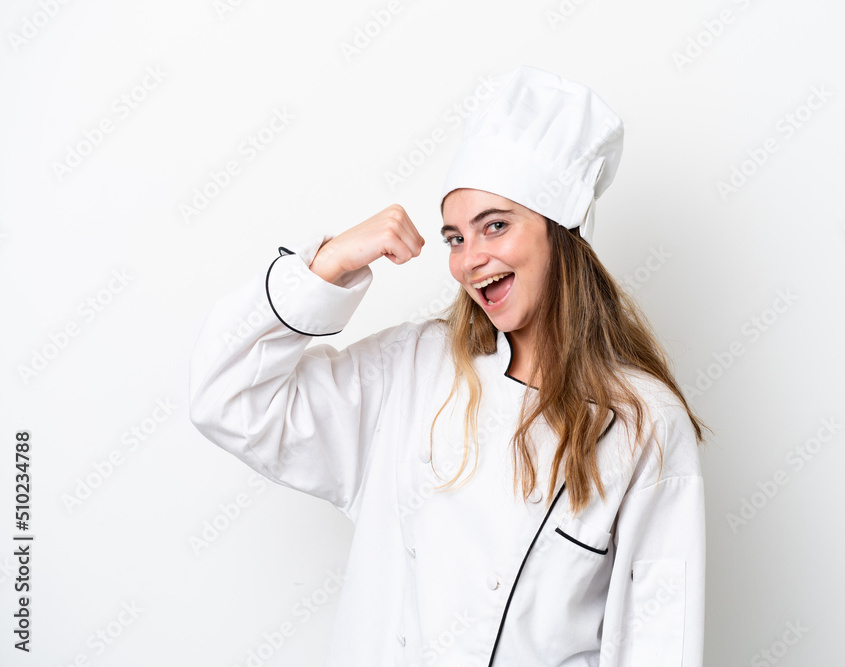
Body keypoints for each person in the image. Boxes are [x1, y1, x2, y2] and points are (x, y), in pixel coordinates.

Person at [189, 64, 708, 666]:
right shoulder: (411, 371)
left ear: (561, 234)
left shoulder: (643, 422)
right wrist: (327, 264)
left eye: (495, 226)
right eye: (455, 238)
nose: (471, 260)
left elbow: (658, 642)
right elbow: (226, 398)